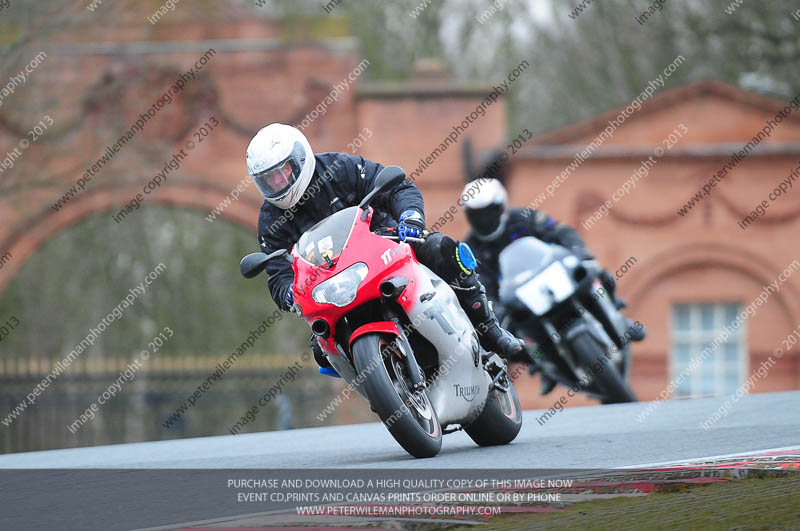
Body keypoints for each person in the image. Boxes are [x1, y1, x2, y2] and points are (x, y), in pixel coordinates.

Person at [247, 123, 524, 374]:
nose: (278, 183)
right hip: (331, 287)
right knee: (321, 349)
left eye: (282, 172)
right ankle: (378, 384)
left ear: (300, 159)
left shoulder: (340, 168)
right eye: (268, 179)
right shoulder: (270, 219)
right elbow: (278, 272)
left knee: (441, 248)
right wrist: (288, 294)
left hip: (384, 246)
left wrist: (410, 217)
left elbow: (397, 186)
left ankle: (489, 329)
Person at [461, 177, 645, 389]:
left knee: (595, 274)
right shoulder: (471, 248)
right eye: (476, 214)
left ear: (501, 205)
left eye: (487, 211)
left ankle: (619, 319)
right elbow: (480, 283)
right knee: (509, 336)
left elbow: (560, 232)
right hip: (519, 297)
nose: (483, 219)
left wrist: (579, 251)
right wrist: (495, 308)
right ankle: (546, 365)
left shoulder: (523, 218)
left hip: (550, 274)